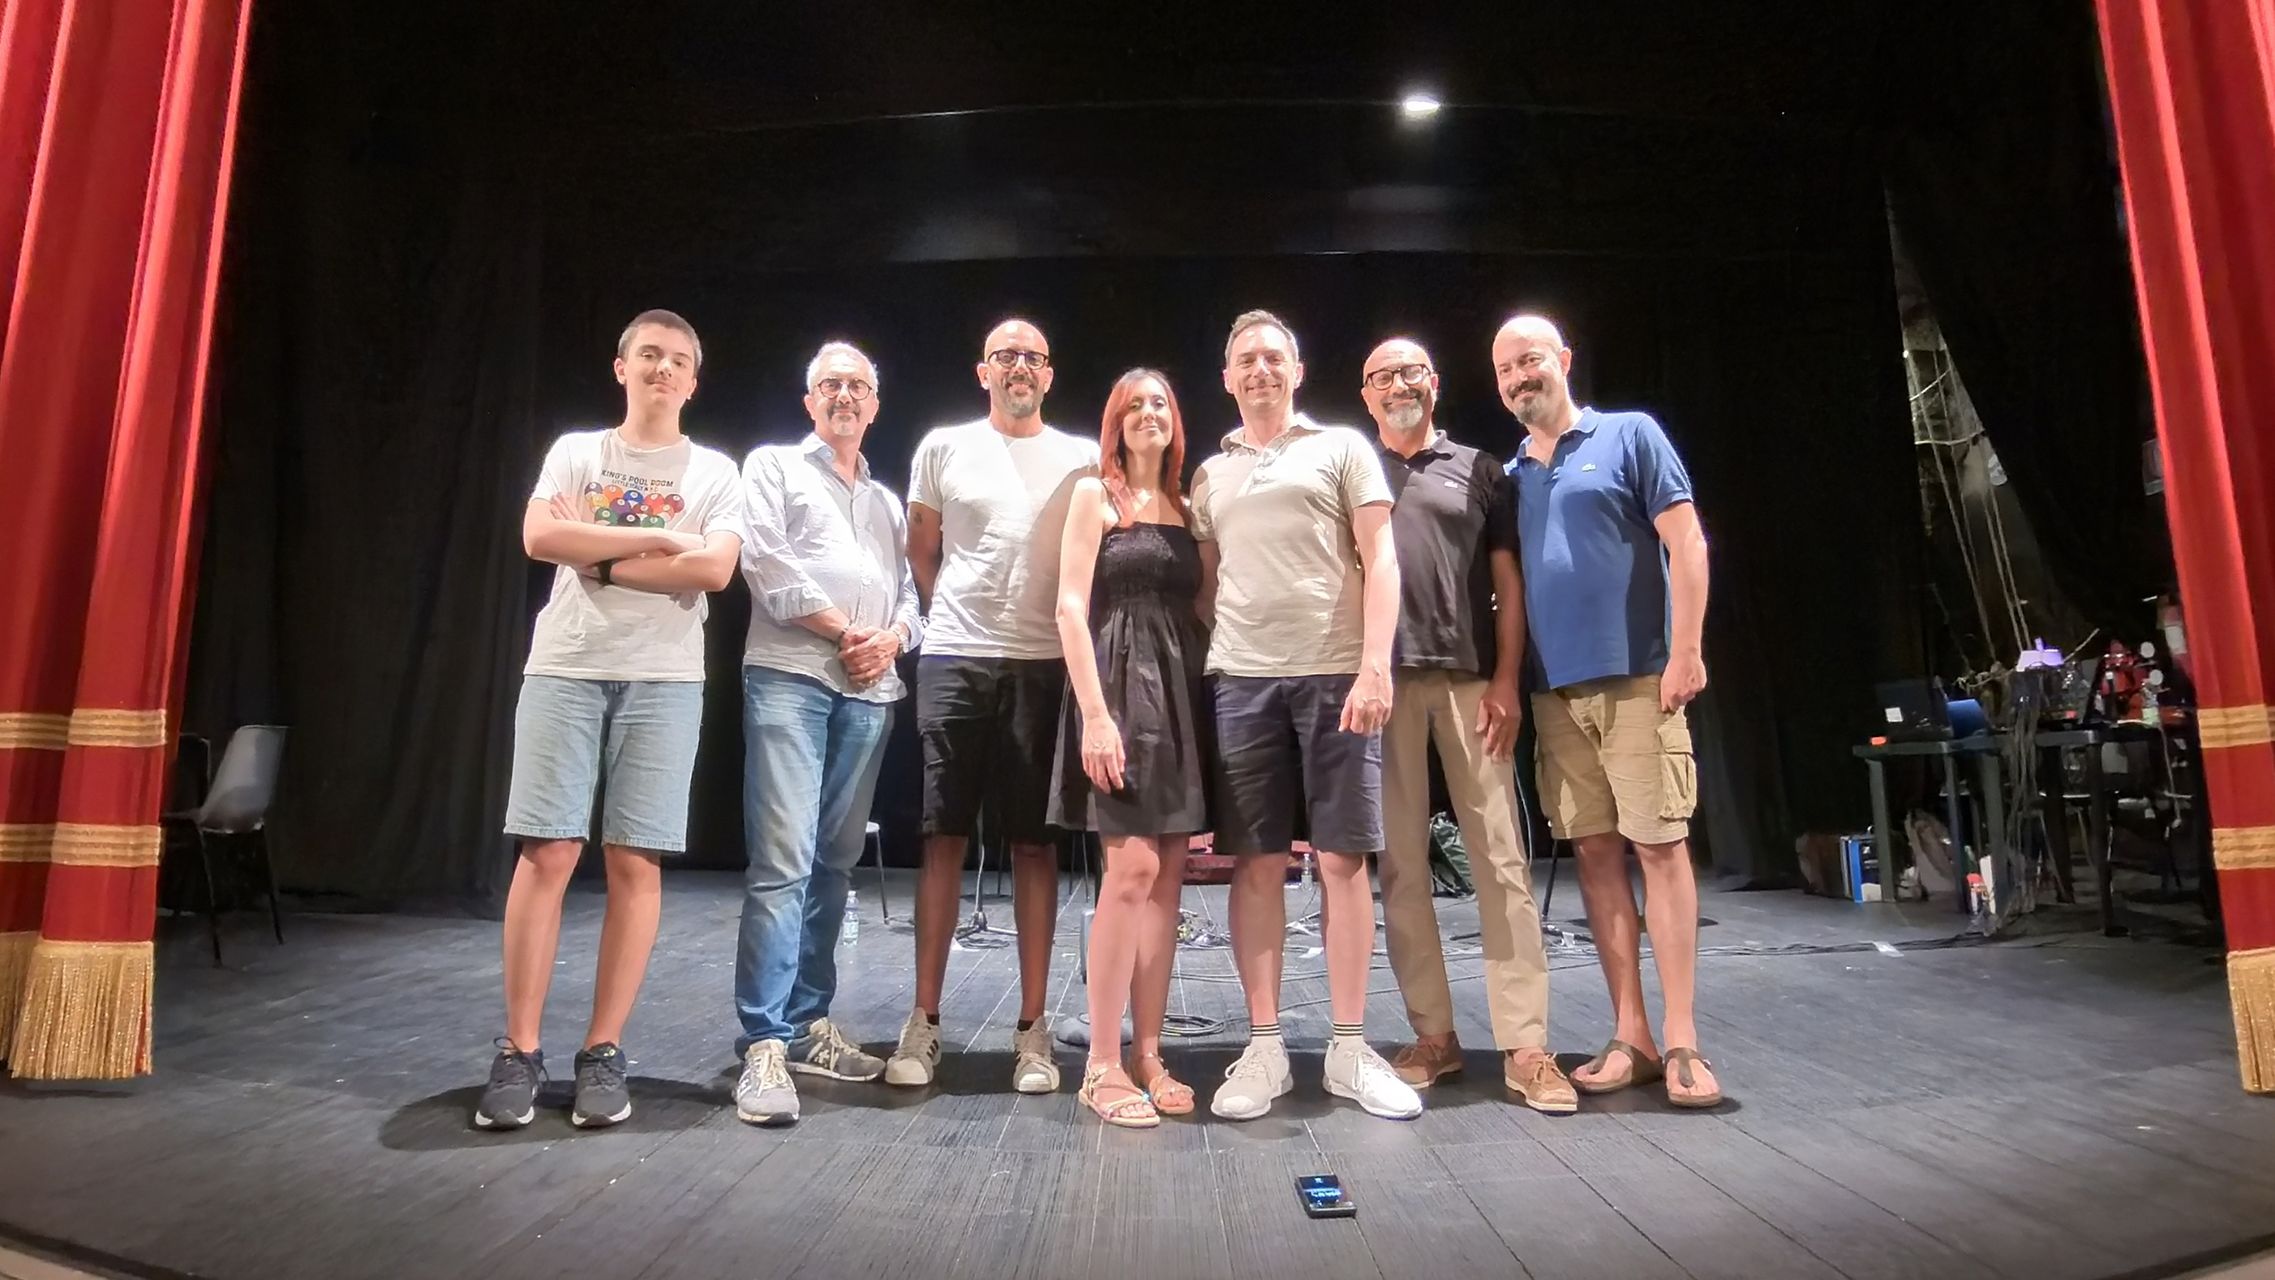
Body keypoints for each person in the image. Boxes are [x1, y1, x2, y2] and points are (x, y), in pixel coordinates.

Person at [476, 310, 745, 1130]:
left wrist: (594, 558)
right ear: (621, 367)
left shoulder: (714, 469)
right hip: (566, 666)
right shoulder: (577, 451)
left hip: (665, 678)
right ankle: (520, 1050)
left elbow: (715, 569)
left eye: (678, 360)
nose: (663, 369)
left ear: (694, 380)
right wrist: (662, 542)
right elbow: (537, 535)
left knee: (635, 860)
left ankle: (602, 1050)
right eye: (649, 355)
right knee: (548, 851)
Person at [1192, 310, 1421, 1122]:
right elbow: (1206, 585)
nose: (1259, 369)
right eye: (1245, 359)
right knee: (1255, 864)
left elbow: (1381, 558)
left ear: (1296, 370)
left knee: (1341, 861)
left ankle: (1349, 1049)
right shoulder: (1209, 474)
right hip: (1243, 682)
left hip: (1335, 677)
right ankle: (1264, 1050)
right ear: (1227, 378)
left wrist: (1373, 665)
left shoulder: (1342, 448)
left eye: (1273, 357)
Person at [1492, 314, 1720, 1109]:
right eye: (1504, 370)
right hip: (1555, 693)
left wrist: (1685, 649)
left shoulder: (1629, 435)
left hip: (1636, 679)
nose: (1518, 377)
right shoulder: (1511, 475)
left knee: (1659, 847)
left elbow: (1687, 543)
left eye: (1529, 360)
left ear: (1562, 359)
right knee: (1593, 855)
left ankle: (1682, 1037)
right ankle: (1633, 1036)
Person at [1360, 338, 1577, 1114]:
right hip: (1384, 687)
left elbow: (1508, 587)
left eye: (1410, 372)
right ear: (1365, 393)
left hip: (1471, 682)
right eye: (1382, 377)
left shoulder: (1480, 470)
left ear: (1434, 382)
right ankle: (1434, 1036)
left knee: (1500, 860)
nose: (1398, 385)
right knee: (1401, 866)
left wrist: (1508, 680)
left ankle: (1525, 1045)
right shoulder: (1351, 470)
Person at [891, 319, 1099, 1091]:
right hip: (954, 656)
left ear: (1049, 373)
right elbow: (921, 548)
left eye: (1032, 358)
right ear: (984, 371)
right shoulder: (943, 446)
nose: (1019, 367)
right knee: (941, 836)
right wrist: (955, 616)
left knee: (1034, 845)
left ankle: (1032, 1031)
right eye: (1005, 356)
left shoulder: (1081, 455)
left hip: (1043, 663)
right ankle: (923, 1023)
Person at [729, 341, 921, 1126]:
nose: (844, 395)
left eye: (858, 386)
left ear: (874, 405)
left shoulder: (886, 501)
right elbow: (766, 565)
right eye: (830, 385)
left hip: (870, 692)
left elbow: (910, 595)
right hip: (790, 680)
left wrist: (893, 638)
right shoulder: (772, 466)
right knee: (782, 865)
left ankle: (808, 1024)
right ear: (809, 401)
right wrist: (849, 631)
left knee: (834, 866)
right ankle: (763, 1043)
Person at [1050, 369, 1208, 1128]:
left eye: (1160, 404)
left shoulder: (1189, 506)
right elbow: (1068, 607)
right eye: (1134, 405)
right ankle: (1100, 1064)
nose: (1149, 413)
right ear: (1114, 423)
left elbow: (1207, 601)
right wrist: (1095, 714)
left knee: (1168, 876)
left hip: (1181, 688)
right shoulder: (1095, 496)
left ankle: (1149, 1052)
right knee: (1132, 869)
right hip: (1117, 685)